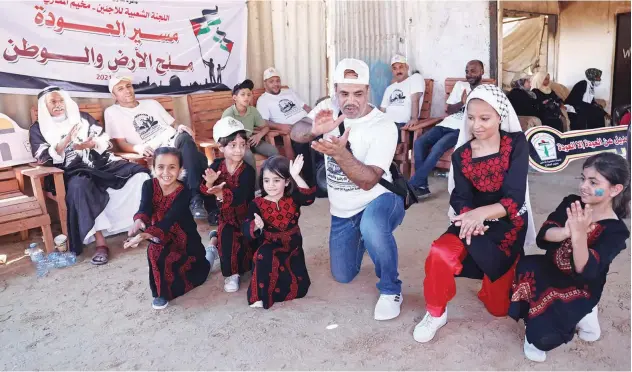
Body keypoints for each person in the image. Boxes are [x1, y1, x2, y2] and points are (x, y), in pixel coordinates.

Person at [412, 84, 537, 343]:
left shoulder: (516, 144)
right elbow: (460, 197)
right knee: (441, 252)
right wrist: (471, 218)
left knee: (499, 310)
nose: (476, 125)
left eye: (484, 118)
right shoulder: (462, 155)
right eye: (470, 118)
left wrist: (481, 215)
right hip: (470, 219)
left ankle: (493, 284)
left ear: (501, 117)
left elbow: (514, 198)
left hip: (507, 223)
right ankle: (436, 312)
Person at [290, 58, 405, 321]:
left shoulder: (383, 125)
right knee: (343, 275)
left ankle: (391, 289)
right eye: (344, 93)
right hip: (343, 210)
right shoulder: (327, 109)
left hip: (381, 198)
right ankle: (366, 237)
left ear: (368, 92)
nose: (350, 101)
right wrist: (313, 130)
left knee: (373, 225)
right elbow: (296, 133)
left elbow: (368, 181)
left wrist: (341, 155)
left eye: (358, 94)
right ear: (335, 92)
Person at [509, 153, 630, 362]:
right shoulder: (572, 203)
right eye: (583, 178)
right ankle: (578, 316)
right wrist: (565, 232)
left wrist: (579, 236)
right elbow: (543, 237)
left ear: (615, 189)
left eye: (593, 182)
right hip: (550, 268)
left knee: (542, 339)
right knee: (525, 266)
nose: (584, 186)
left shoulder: (616, 231)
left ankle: (586, 312)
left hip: (580, 288)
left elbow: (588, 270)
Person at [29, 86, 150, 264]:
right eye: (53, 102)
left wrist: (91, 144)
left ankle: (141, 225)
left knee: (141, 176)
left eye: (61, 100)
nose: (58, 105)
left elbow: (105, 142)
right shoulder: (38, 129)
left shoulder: (83, 118)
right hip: (70, 171)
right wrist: (66, 141)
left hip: (101, 163)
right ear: (44, 107)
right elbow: (42, 156)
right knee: (81, 188)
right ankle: (100, 243)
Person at [104, 76, 208, 219]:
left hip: (174, 139)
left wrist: (181, 126)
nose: (127, 91)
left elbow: (173, 124)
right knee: (199, 159)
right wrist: (138, 148)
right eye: (120, 89)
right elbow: (119, 144)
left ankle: (194, 199)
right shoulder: (112, 112)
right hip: (155, 149)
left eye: (128, 86)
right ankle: (197, 198)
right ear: (114, 95)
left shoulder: (151, 104)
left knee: (185, 138)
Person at [126, 147, 211, 309]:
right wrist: (139, 221)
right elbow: (144, 209)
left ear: (180, 170)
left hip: (184, 240)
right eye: (161, 167)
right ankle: (160, 293)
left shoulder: (184, 191)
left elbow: (170, 218)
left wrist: (145, 235)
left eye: (172, 167)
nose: (166, 172)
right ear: (153, 168)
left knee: (200, 271)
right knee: (155, 251)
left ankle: (211, 249)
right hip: (159, 234)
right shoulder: (148, 185)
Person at [242, 155, 316, 309]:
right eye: (266, 180)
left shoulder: (293, 198)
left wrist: (296, 175)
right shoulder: (257, 203)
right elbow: (247, 226)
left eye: (277, 180)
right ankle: (260, 295)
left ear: (287, 181)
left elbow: (309, 198)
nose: (271, 185)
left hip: (293, 246)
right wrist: (256, 225)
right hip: (270, 243)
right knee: (262, 256)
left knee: (299, 288)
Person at [408, 60, 485, 199]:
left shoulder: (486, 92)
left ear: (482, 72)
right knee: (419, 143)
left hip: (462, 128)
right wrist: (462, 102)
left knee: (438, 147)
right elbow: (449, 110)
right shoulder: (460, 86)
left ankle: (413, 184)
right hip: (446, 123)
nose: (469, 74)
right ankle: (421, 186)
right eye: (467, 71)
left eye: (473, 71)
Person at [200, 117, 256, 293]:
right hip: (226, 220)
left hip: (246, 216)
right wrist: (209, 185)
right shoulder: (216, 167)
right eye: (233, 145)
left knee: (253, 253)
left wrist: (220, 193)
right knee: (228, 241)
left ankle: (214, 240)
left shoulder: (248, 171)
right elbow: (203, 194)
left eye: (242, 144)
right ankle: (231, 274)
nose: (239, 150)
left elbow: (242, 196)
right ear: (221, 147)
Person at [256, 67, 315, 186]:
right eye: (271, 81)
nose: (276, 84)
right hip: (291, 128)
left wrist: (316, 115)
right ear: (265, 83)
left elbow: (305, 107)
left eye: (277, 80)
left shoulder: (288, 91)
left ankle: (323, 175)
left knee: (327, 133)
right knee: (303, 141)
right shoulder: (263, 100)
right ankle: (311, 182)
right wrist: (280, 126)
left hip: (306, 120)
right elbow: (263, 121)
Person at [221, 79, 278, 171]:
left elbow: (265, 127)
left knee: (273, 151)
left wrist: (258, 136)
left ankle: (270, 180)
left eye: (249, 94)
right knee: (248, 156)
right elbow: (225, 136)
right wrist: (241, 143)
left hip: (252, 140)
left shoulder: (253, 110)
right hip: (236, 144)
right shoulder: (229, 114)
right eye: (242, 94)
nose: (246, 97)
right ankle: (254, 184)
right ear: (235, 98)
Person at [380, 54, 425, 142]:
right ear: (392, 71)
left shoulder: (415, 78)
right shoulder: (389, 89)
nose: (398, 70)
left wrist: (414, 118)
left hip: (402, 127)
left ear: (407, 67)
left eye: (401, 67)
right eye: (395, 68)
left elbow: (415, 99)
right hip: (385, 124)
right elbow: (382, 110)